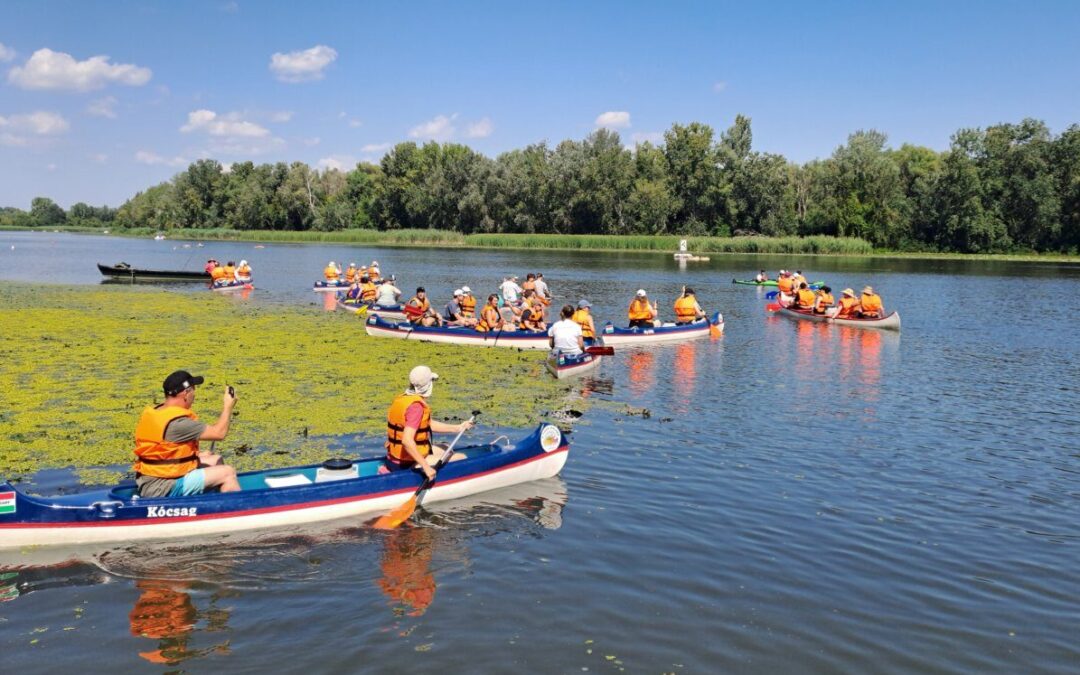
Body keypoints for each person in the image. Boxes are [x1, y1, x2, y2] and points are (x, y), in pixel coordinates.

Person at [132, 370, 239, 498]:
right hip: (162, 488)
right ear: (186, 393)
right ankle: (237, 510)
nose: (194, 395)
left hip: (150, 479)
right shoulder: (178, 423)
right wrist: (228, 406)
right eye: (193, 390)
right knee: (227, 473)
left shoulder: (157, 412)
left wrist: (196, 455)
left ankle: (210, 502)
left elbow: (163, 450)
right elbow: (219, 433)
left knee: (215, 459)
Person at [385, 366, 474, 480]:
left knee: (446, 447)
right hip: (404, 464)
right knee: (462, 457)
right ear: (427, 385)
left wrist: (459, 427)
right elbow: (406, 441)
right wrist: (426, 467)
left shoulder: (404, 399)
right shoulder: (416, 407)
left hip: (394, 458)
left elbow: (428, 424)